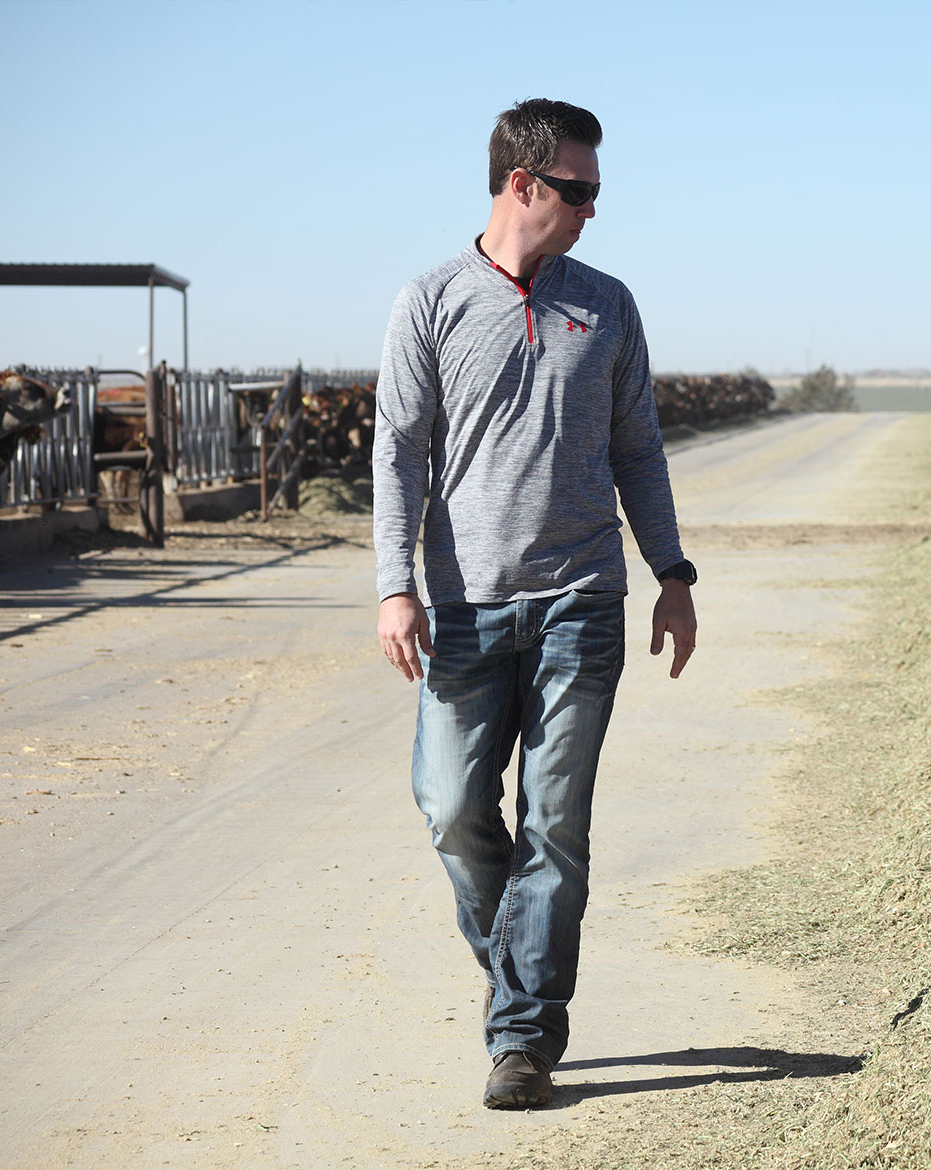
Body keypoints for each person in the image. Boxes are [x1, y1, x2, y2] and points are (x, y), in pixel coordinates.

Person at [372, 98, 698, 1110]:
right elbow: (398, 451)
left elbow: (640, 449)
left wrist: (673, 575)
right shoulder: (429, 302)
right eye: (579, 190)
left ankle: (521, 1038)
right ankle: (520, 966)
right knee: (454, 808)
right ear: (524, 184)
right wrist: (395, 584)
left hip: (582, 602)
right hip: (466, 607)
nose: (594, 210)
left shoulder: (607, 305)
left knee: (555, 824)